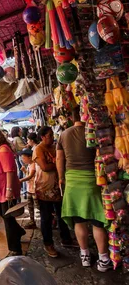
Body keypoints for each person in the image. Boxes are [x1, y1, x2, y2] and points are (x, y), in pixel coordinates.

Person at [57, 106, 112, 271]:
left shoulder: (63, 134)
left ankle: (85, 256)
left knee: (79, 221)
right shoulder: (92, 132)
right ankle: (103, 260)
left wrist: (61, 178)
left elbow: (60, 158)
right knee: (97, 221)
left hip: (72, 181)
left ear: (71, 118)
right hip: (92, 179)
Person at [33, 126, 76, 257]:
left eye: (52, 135)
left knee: (62, 214)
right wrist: (59, 164)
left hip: (57, 187)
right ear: (42, 137)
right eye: (50, 135)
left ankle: (66, 239)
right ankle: (48, 244)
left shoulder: (54, 147)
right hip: (44, 188)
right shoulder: (38, 149)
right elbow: (44, 167)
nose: (52, 137)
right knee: (46, 218)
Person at [0, 127, 24, 256]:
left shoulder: (3, 150)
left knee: (8, 219)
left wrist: (9, 190)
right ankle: (18, 232)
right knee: (5, 215)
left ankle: (15, 249)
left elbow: (9, 171)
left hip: (5, 190)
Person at [19, 148, 37, 229]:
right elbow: (28, 174)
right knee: (30, 206)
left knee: (38, 206)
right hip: (30, 189)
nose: (23, 160)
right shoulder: (30, 165)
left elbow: (30, 176)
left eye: (24, 158)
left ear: (30, 157)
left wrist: (20, 180)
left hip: (34, 190)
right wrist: (24, 171)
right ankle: (32, 221)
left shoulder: (33, 164)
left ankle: (51, 219)